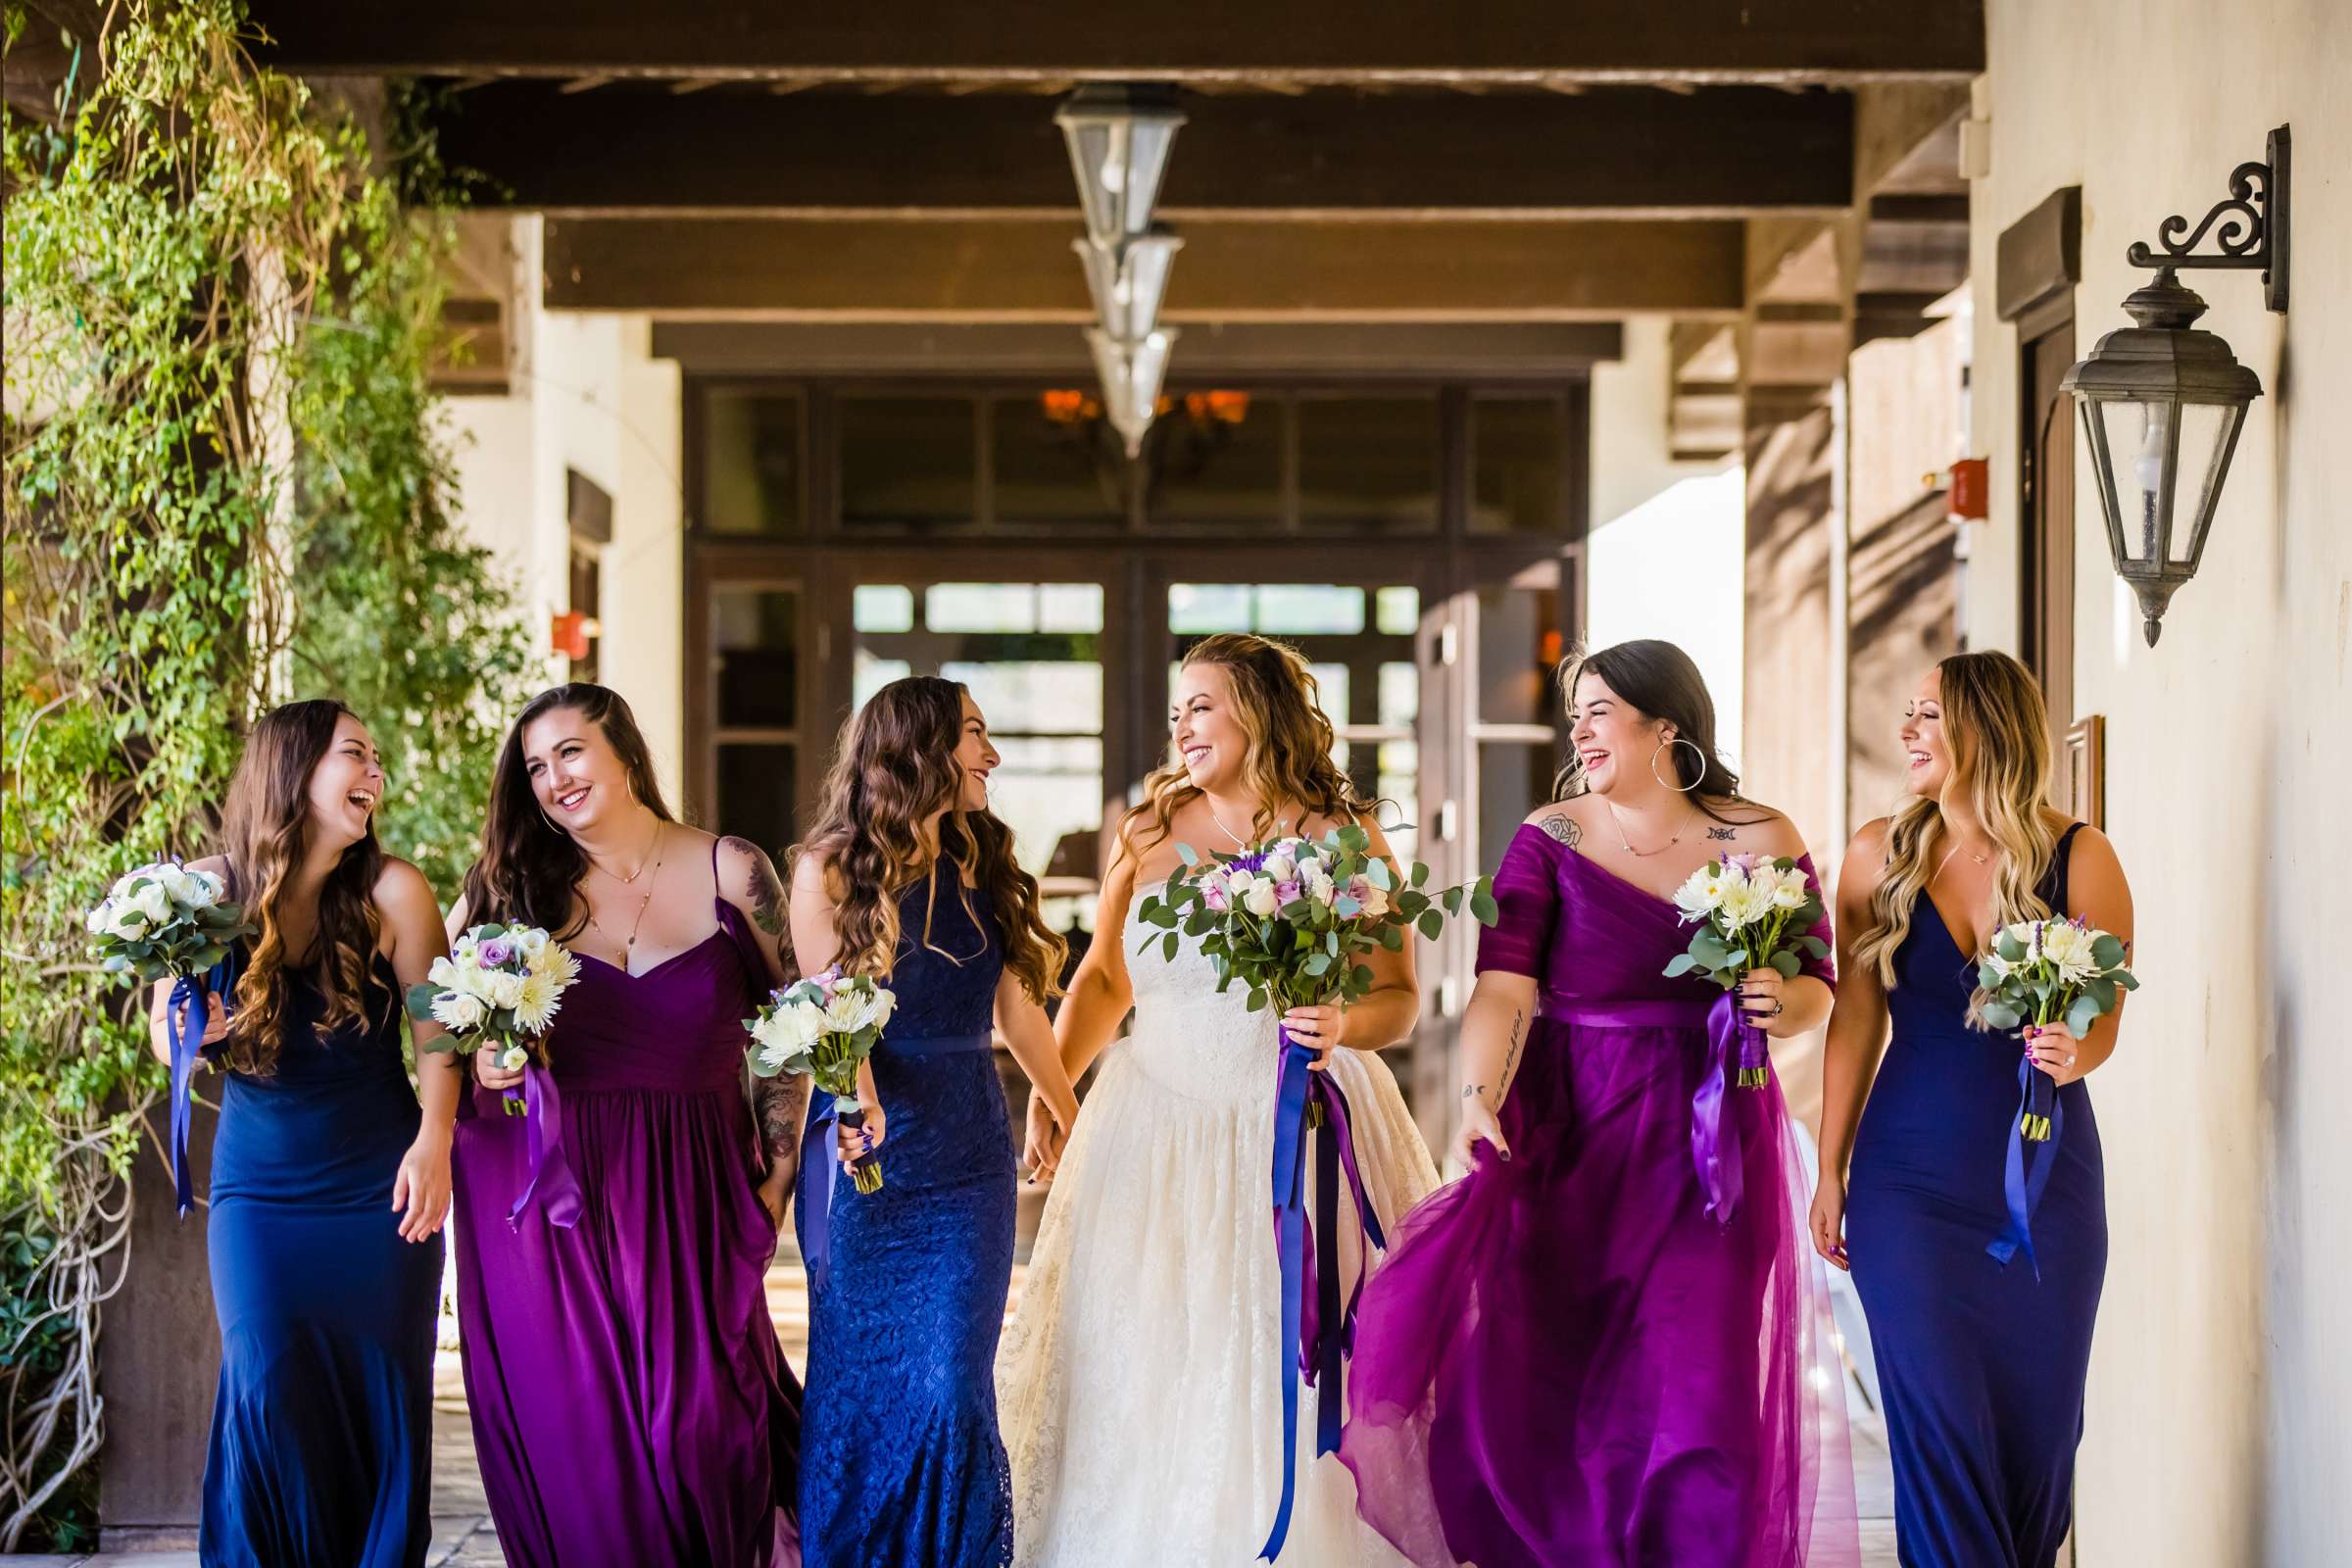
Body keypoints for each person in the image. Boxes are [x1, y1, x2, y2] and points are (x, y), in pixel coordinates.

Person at [1341, 639, 1857, 1568]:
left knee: (1704, 1387)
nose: (1578, 729)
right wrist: (1474, 1100)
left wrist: (1785, 1005)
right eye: (1574, 713)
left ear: (1667, 725)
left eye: (1599, 710)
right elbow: (1503, 988)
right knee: (1563, 1383)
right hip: (1569, 1129)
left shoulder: (1762, 836)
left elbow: (1819, 982)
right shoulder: (1551, 836)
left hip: (1712, 1144)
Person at [996, 632, 1436, 1567]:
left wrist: (1338, 1026)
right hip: (1155, 1128)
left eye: (1201, 706)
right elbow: (1106, 982)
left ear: (1259, 711)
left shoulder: (1339, 841)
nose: (1182, 728)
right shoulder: (1149, 831)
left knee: (1283, 1344)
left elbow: (1397, 998)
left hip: (1294, 1125)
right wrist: (1054, 1083)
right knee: (1151, 1348)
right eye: (1176, 712)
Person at [449, 683, 805, 1568]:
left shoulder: (734, 870)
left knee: (707, 1430)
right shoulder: (508, 885)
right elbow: (438, 1021)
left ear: (625, 754)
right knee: (587, 1451)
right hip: (549, 1201)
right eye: (535, 766)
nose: (553, 779)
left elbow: (796, 1028)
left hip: (695, 1193)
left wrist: (775, 1185)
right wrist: (484, 1057)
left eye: (570, 751)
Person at [1814, 652, 2132, 1568]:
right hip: (1906, 1192)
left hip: (2048, 1189)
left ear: (1985, 728)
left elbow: (2105, 1021)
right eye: (1908, 714)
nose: (1908, 731)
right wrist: (1830, 1171)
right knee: (1942, 1437)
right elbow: (1854, 1021)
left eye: (1928, 715)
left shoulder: (2081, 857)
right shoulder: (1878, 853)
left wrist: (2077, 1055)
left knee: (2037, 1449)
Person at [153, 699, 456, 1568]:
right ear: (293, 768)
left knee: (380, 1395)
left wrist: (435, 1140)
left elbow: (438, 1032)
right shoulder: (208, 892)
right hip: (260, 1196)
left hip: (378, 1193)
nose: (375, 775)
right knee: (267, 1379)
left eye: (375, 759)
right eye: (354, 755)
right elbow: (158, 1027)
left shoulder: (396, 891)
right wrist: (190, 1029)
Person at [786, 676, 1080, 1567]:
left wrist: (1069, 1110)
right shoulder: (829, 868)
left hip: (968, 1158)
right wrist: (859, 1094)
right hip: (869, 1152)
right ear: (920, 749)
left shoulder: (980, 858)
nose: (990, 755)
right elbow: (827, 1012)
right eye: (975, 736)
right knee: (866, 1386)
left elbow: (1018, 1009)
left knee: (954, 1383)